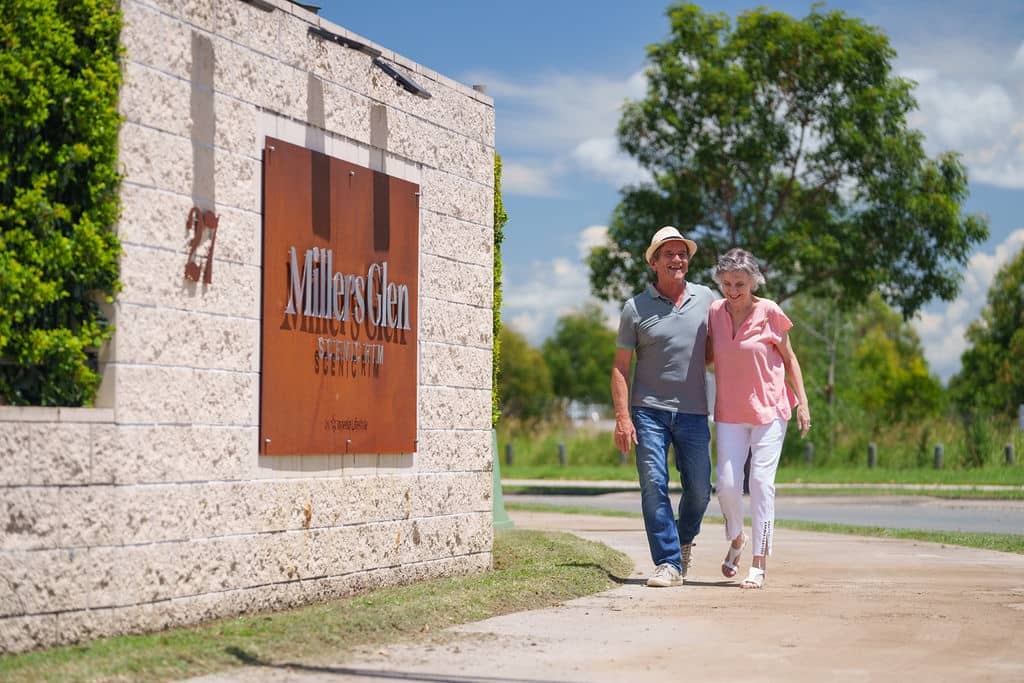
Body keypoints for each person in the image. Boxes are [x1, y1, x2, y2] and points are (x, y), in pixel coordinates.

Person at [611, 226, 717, 587]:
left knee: (701, 488)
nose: (677, 259)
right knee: (654, 484)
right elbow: (620, 367)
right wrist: (623, 418)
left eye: (682, 253)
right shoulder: (634, 308)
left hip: (693, 412)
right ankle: (668, 563)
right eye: (668, 254)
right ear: (654, 262)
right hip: (648, 412)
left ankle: (683, 541)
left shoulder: (707, 299)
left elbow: (721, 348)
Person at [707, 248, 810, 589]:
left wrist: (803, 403)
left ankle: (759, 562)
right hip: (730, 412)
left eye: (739, 283)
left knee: (762, 484)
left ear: (753, 282)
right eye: (726, 283)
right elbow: (708, 355)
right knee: (726, 485)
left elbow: (790, 359)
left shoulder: (769, 312)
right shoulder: (714, 313)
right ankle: (737, 539)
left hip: (770, 410)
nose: (732, 290)